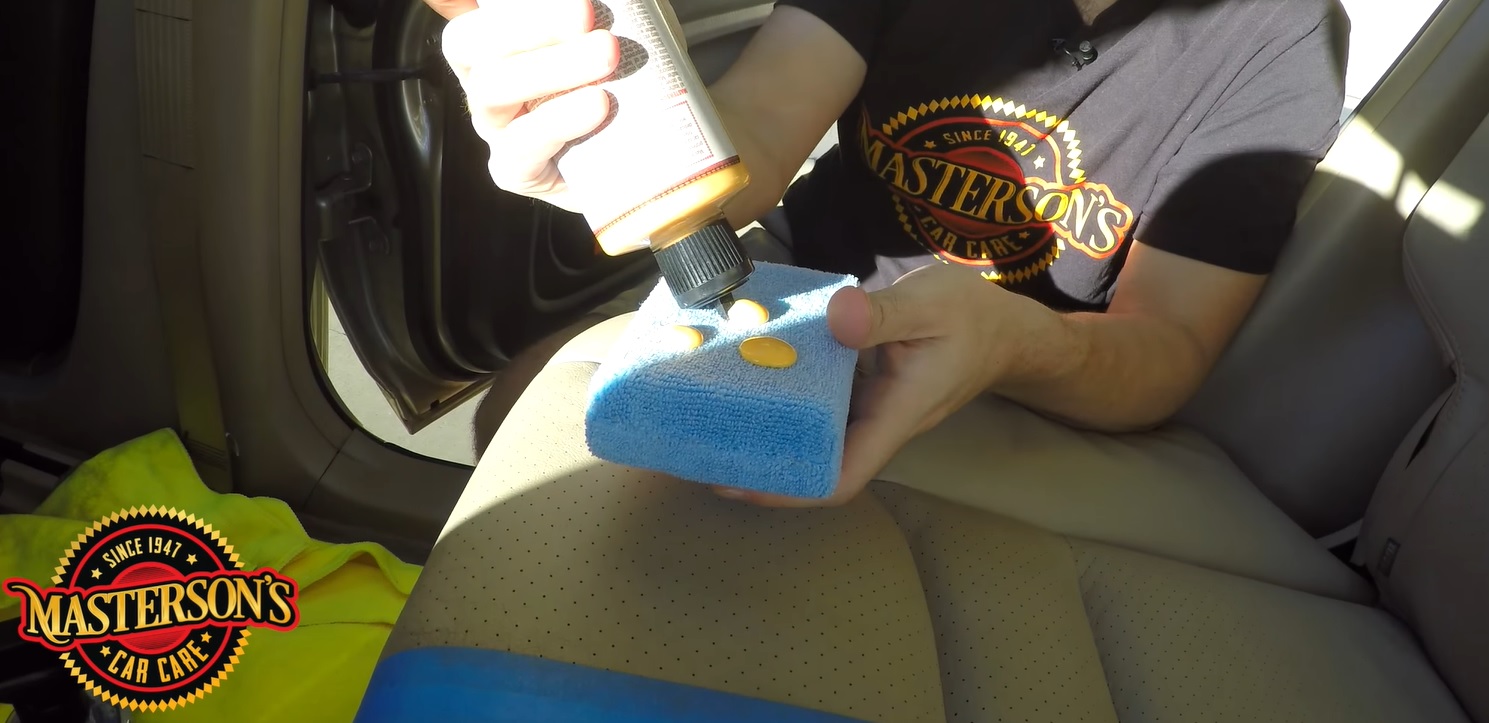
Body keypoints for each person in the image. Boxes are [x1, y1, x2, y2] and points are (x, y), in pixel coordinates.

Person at [431, 0, 1347, 507]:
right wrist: (613, 142)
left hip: (1007, 377)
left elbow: (1165, 348)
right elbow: (762, 127)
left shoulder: (1280, 32)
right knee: (523, 409)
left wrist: (1020, 342)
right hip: (796, 280)